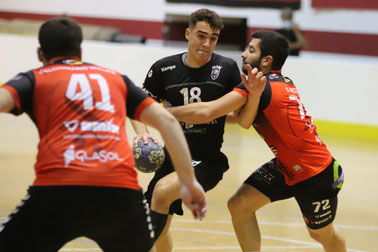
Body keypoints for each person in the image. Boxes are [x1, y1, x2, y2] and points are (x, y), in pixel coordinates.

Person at [0, 17, 207, 252]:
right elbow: (168, 122)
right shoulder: (116, 79)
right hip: (119, 193)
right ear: (80, 50)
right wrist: (189, 182)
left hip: (57, 190)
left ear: (40, 54)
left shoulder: (34, 78)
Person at [168, 30, 347, 251]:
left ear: (266, 60)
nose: (243, 54)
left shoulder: (261, 86)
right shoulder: (279, 81)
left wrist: (161, 112)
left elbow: (208, 112)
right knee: (239, 205)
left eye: (251, 50)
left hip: (315, 174)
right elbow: (240, 119)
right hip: (287, 166)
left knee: (320, 234)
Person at [130, 8, 245, 252]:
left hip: (206, 161)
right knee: (159, 218)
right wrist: (142, 133)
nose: (206, 43)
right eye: (201, 36)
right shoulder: (164, 69)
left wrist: (210, 114)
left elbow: (234, 115)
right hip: (171, 159)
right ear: (187, 33)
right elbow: (136, 105)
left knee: (160, 194)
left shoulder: (226, 68)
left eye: (213, 38)